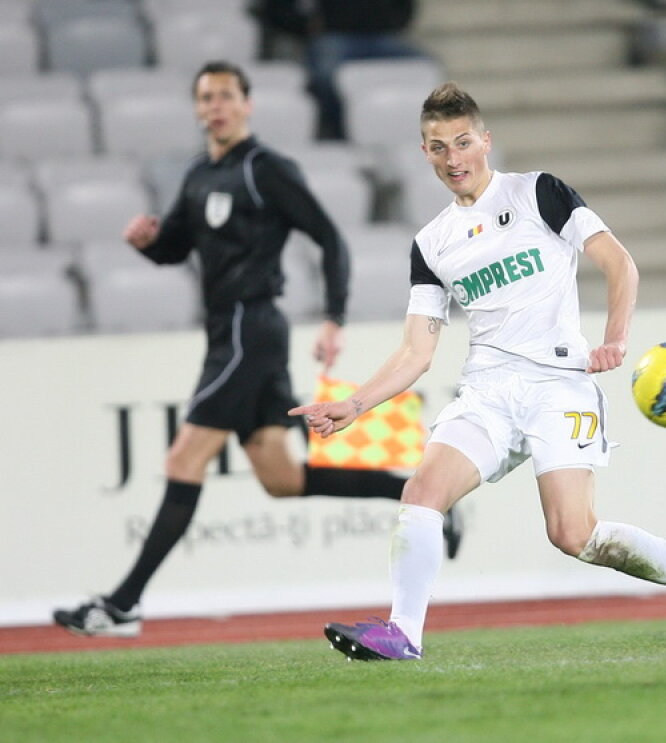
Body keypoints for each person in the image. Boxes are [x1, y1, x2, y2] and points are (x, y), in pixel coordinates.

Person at [290, 82, 666, 662]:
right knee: (421, 493)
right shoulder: (431, 244)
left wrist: (615, 340)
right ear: (425, 154)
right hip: (487, 391)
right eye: (438, 147)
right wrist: (354, 405)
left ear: (485, 141)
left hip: (558, 386)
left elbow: (620, 264)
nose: (453, 158)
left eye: (462, 142)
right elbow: (416, 351)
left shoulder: (539, 192)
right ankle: (404, 633)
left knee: (574, 535)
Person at [52, 60, 459, 639]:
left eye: (225, 95)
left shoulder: (265, 170)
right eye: (205, 97)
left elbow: (329, 237)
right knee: (282, 479)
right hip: (228, 333)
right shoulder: (198, 176)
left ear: (246, 104)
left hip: (251, 330)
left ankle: (122, 605)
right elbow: (173, 248)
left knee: (181, 461)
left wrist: (334, 317)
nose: (215, 105)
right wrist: (147, 244)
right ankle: (421, 493)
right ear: (198, 109)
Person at [260, 0, 428, 140]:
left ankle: (409, 129)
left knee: (423, 65)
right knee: (325, 73)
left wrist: (391, 22)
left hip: (382, 36)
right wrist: (305, 26)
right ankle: (338, 129)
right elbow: (278, 9)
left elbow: (405, 8)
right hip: (334, 36)